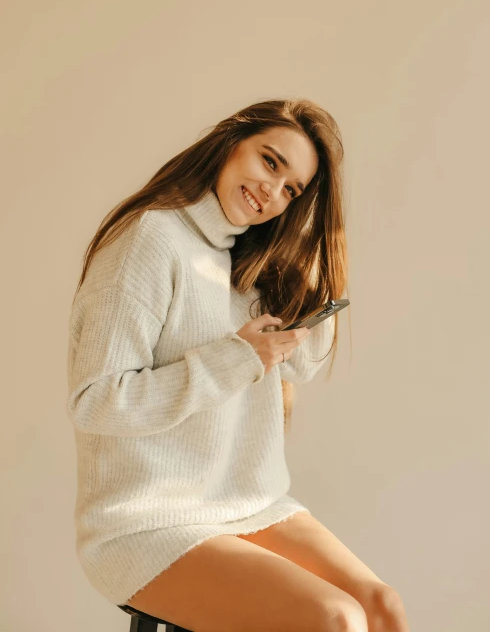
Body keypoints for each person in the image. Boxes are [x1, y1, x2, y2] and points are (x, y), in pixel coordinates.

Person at [66, 98, 410, 631]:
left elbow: (303, 365)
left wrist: (307, 257)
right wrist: (236, 359)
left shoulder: (242, 259)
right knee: (335, 618)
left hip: (247, 504)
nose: (273, 191)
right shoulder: (150, 240)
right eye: (270, 162)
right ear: (230, 143)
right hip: (144, 522)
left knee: (381, 607)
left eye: (293, 189)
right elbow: (97, 402)